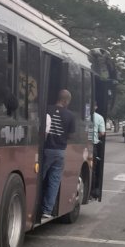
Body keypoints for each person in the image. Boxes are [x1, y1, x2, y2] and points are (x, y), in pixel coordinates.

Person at [41, 89, 76, 219]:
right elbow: (71, 136)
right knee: (54, 182)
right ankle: (47, 210)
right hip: (60, 151)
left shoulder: (46, 109)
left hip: (46, 150)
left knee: (40, 178)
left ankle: (35, 205)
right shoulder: (70, 115)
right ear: (65, 101)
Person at [89, 103, 106, 201]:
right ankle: (91, 192)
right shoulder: (99, 118)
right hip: (92, 145)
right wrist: (95, 136)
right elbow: (102, 133)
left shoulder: (81, 115)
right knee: (93, 169)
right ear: (96, 107)